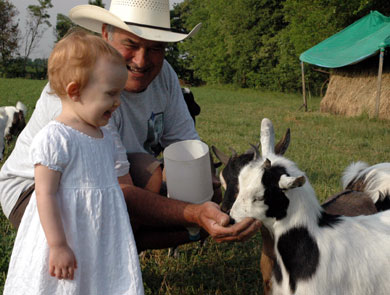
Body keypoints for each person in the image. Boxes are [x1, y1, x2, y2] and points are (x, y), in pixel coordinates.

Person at [0, 0, 260, 252]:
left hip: (106, 183)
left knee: (173, 180)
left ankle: (120, 250)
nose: (142, 60)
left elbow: (186, 149)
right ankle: (105, 253)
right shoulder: (81, 86)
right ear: (106, 34)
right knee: (129, 198)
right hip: (36, 192)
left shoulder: (164, 75)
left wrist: (219, 196)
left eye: (156, 48)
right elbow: (120, 193)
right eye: (131, 44)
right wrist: (193, 213)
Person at [3, 30, 144, 294]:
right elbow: (45, 193)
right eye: (111, 94)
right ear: (75, 91)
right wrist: (57, 245)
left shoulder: (103, 135)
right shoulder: (56, 137)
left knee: (96, 281)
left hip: (97, 233)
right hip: (65, 232)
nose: (117, 103)